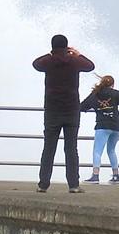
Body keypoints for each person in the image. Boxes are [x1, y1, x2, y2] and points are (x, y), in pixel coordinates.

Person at [32, 34, 95, 193]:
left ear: (53, 46)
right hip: (71, 109)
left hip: (52, 110)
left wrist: (51, 53)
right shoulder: (74, 61)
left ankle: (43, 184)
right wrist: (77, 54)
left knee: (49, 147)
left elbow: (36, 64)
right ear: (67, 47)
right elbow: (90, 66)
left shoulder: (49, 61)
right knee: (71, 148)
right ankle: (73, 185)